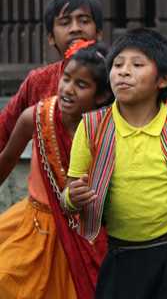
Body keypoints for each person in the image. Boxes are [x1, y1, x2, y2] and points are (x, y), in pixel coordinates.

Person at [66, 28, 167, 299]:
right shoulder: (91, 127)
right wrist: (73, 198)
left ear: (164, 79)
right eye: (117, 64)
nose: (123, 72)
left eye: (137, 65)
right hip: (122, 254)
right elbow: (69, 196)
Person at [0, 41, 111, 299]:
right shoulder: (35, 117)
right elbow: (5, 161)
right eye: (66, 79)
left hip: (88, 236)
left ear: (102, 95)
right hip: (34, 229)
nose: (68, 90)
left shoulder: (107, 130)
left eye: (81, 85)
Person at [0, 0, 103, 152]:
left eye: (84, 21)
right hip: (49, 177)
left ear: (98, 34)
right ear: (51, 38)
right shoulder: (38, 81)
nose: (75, 28)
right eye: (65, 22)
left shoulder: (116, 77)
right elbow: (4, 129)